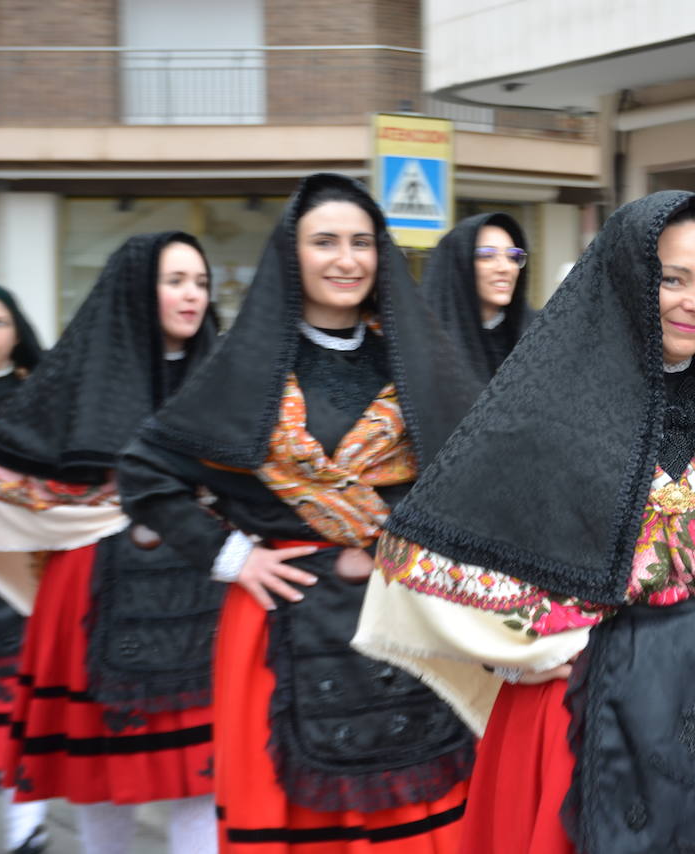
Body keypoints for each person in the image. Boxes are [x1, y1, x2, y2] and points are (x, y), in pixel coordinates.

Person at [354, 191, 695, 854]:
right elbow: (426, 562)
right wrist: (544, 646)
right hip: (582, 707)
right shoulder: (548, 406)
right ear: (628, 276)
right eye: (674, 278)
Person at [119, 174, 479, 853]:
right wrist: (235, 558)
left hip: (402, 617)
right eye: (324, 242)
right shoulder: (245, 368)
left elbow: (475, 477)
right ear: (292, 254)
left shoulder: (418, 362)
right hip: (280, 626)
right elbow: (145, 474)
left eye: (361, 242)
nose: (345, 259)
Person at [0, 234, 219, 854]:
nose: (191, 295)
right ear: (139, 288)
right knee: (102, 777)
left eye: (199, 281)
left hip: (200, 589)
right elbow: (1, 484)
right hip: (95, 592)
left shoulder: (227, 375)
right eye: (175, 280)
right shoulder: (77, 378)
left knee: (202, 778)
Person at [0, 284, 47, 854]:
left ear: (15, 330)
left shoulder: (42, 396)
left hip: (22, 572)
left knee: (22, 709)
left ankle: (28, 831)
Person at [422, 212, 534, 385]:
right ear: (460, 264)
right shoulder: (427, 342)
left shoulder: (536, 336)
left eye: (513, 256)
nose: (505, 267)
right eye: (487, 255)